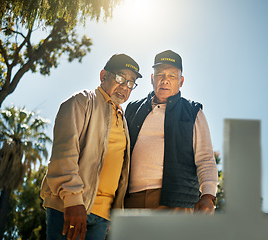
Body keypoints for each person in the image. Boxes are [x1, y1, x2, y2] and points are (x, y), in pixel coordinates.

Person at [40, 53, 142, 240]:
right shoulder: (82, 101)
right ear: (103, 76)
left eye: (130, 83)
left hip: (102, 217)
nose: (125, 87)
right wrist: (73, 201)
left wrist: (114, 213)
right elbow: (64, 154)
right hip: (70, 207)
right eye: (120, 78)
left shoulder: (123, 119)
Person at [124, 50, 218, 213]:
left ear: (181, 81)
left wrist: (208, 195)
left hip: (175, 203)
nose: (165, 80)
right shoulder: (133, 109)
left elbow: (205, 157)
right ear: (152, 79)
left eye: (172, 76)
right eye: (160, 74)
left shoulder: (193, 112)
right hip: (131, 201)